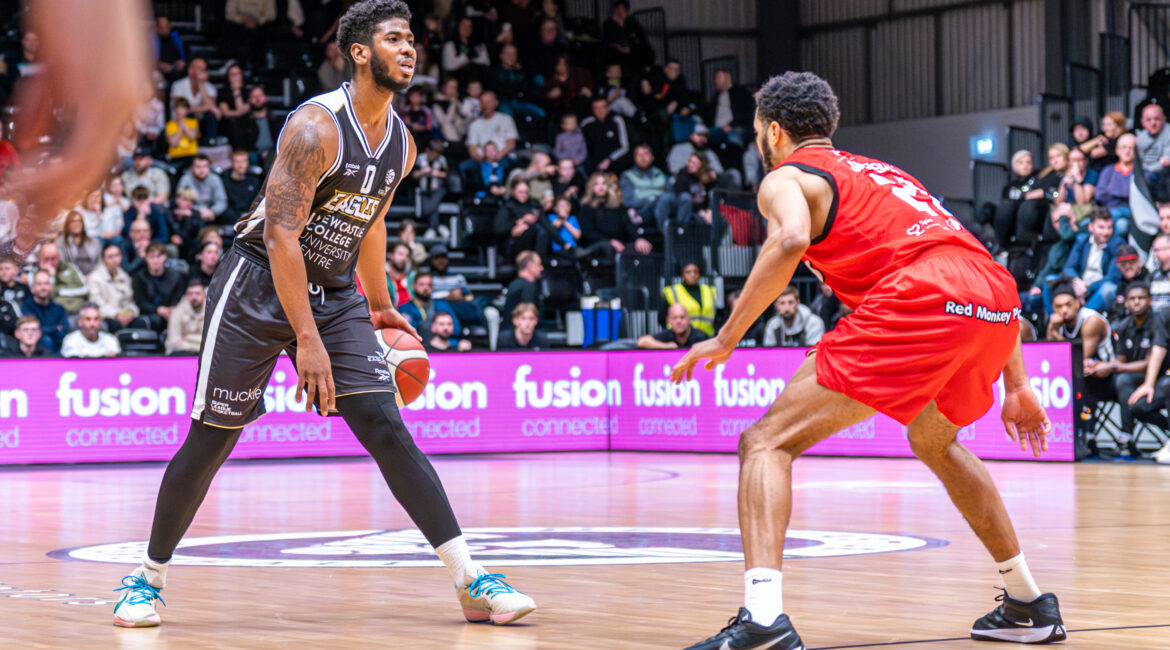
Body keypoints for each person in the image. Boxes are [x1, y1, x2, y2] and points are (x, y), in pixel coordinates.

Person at [109, 0, 534, 631]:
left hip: (335, 291)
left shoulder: (402, 144)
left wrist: (383, 303)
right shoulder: (315, 129)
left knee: (385, 426)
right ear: (361, 52)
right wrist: (306, 340)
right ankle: (146, 579)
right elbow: (281, 237)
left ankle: (471, 579)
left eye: (412, 38)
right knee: (213, 438)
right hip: (257, 283)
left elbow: (371, 219)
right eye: (395, 39)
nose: (411, 48)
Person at [672, 72, 1063, 650]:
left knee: (765, 443)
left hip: (926, 297)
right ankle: (1029, 602)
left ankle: (761, 621)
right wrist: (1018, 382)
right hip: (994, 302)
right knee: (934, 441)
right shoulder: (887, 174)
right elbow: (973, 265)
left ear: (773, 131)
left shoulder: (786, 177)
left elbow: (788, 241)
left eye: (760, 132)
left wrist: (727, 337)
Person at [1092, 282, 1168, 453]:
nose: (1136, 302)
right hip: (1133, 382)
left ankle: (1126, 435)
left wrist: (1112, 366)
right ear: (1125, 303)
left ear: (1150, 301)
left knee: (1123, 379)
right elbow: (1120, 361)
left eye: (1141, 298)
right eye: (1132, 299)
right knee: (1097, 380)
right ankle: (1089, 438)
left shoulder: (1158, 322)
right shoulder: (1124, 326)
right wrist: (1101, 367)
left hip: (1159, 377)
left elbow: (1148, 363)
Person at [130, 242, 186, 332]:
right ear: (146, 258)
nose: (155, 261)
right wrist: (158, 309)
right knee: (156, 320)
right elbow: (140, 301)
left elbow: (178, 296)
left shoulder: (176, 276)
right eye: (151, 257)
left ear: (165, 257)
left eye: (158, 256)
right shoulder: (139, 277)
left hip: (173, 311)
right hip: (149, 313)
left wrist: (172, 308)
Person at [87, 243, 141, 332]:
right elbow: (97, 304)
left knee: (141, 323)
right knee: (115, 326)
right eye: (110, 257)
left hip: (124, 314)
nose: (115, 260)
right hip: (106, 316)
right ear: (104, 260)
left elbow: (130, 300)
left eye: (117, 255)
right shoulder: (95, 278)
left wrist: (131, 311)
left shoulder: (125, 276)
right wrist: (116, 314)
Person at [21, 269, 69, 353]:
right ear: (32, 288)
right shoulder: (26, 306)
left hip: (59, 348)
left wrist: (47, 330)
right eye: (39, 284)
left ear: (51, 286)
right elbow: (35, 331)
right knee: (46, 340)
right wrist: (56, 328)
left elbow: (65, 329)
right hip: (37, 351)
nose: (43, 287)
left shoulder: (59, 308)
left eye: (46, 284)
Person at [663, 262, 716, 336]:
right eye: (688, 272)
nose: (692, 275)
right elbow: (662, 317)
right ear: (682, 274)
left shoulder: (709, 290)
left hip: (707, 336)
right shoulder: (672, 291)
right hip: (681, 337)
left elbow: (717, 315)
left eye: (695, 272)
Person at [637, 302, 709, 350]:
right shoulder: (668, 335)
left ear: (689, 319)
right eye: (674, 318)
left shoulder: (700, 337)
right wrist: (667, 346)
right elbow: (642, 341)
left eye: (682, 317)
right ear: (668, 321)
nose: (678, 321)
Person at [164, 278, 207, 355]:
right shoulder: (177, 312)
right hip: (181, 353)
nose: (194, 297)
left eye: (197, 293)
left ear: (204, 294)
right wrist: (197, 348)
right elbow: (174, 342)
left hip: (205, 353)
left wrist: (189, 337)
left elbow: (211, 342)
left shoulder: (211, 313)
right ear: (186, 295)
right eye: (190, 293)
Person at [503, 251, 543, 318]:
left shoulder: (515, 284)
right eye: (539, 264)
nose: (541, 268)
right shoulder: (527, 286)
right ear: (530, 266)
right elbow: (527, 316)